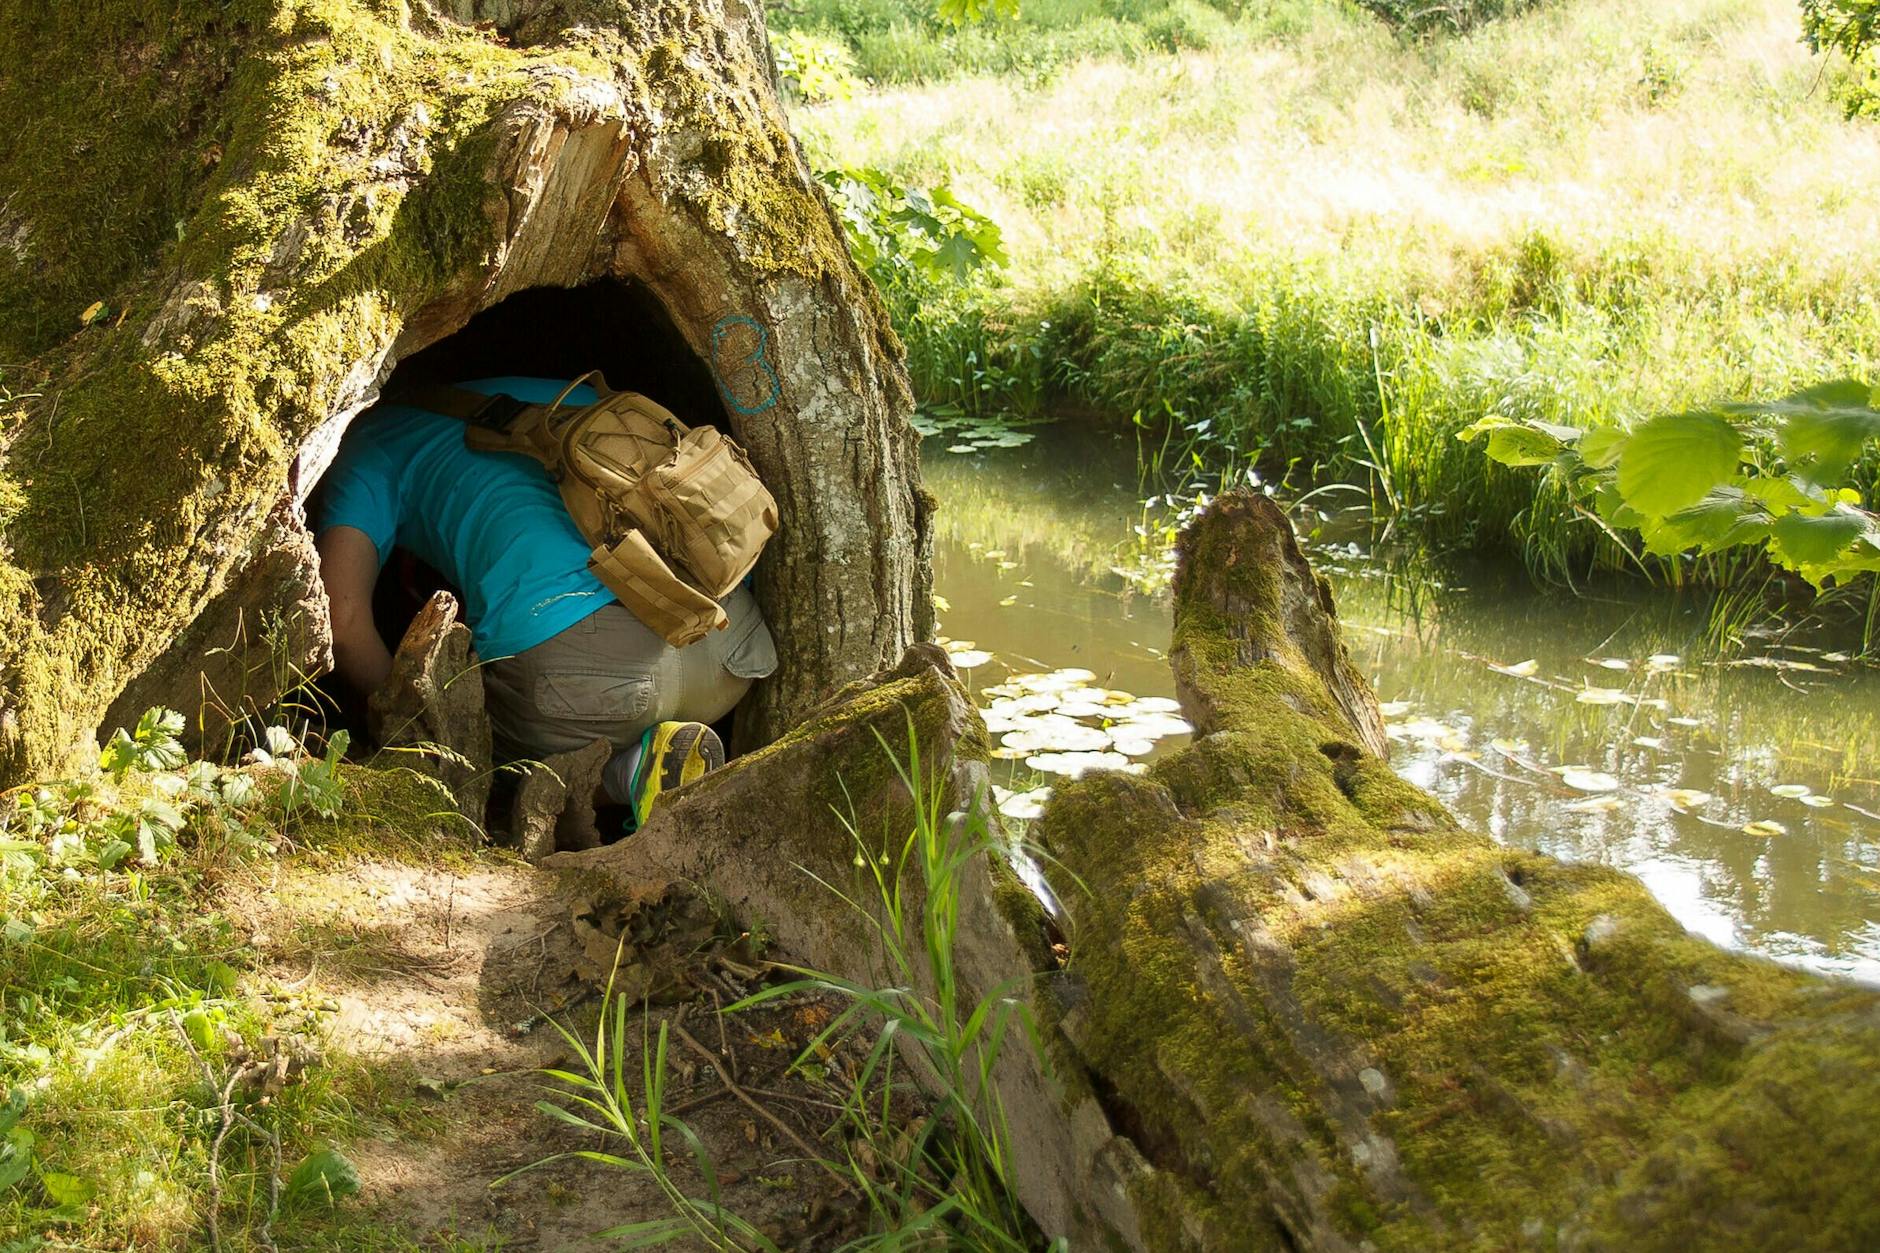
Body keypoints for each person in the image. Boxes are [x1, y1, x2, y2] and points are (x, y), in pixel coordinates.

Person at [314, 375, 776, 827]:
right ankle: (662, 751)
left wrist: (406, 720)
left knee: (470, 753)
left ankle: (626, 775)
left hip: (594, 684)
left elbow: (344, 620)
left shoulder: (366, 446)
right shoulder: (553, 398)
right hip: (732, 648)